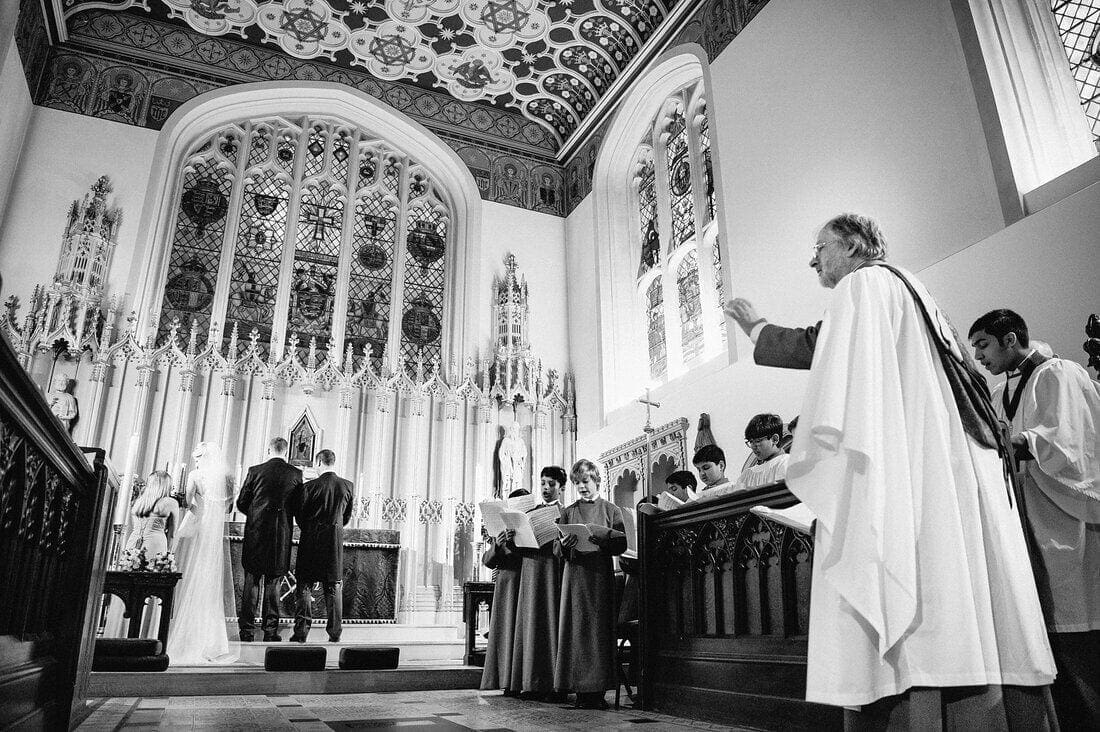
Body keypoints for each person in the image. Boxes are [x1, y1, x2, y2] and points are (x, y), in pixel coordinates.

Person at [729, 213, 1055, 724]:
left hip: (912, 462)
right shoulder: (914, 290)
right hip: (947, 460)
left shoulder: (865, 283)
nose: (813, 258)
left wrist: (756, 328)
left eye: (821, 247)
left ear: (855, 245)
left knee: (901, 567)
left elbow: (823, 346)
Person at [969, 308, 1100, 728]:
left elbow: (1069, 443)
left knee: (1080, 640)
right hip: (1027, 522)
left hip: (1066, 521)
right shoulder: (996, 392)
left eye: (983, 345)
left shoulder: (1059, 373)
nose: (978, 357)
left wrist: (1009, 442)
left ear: (1010, 339)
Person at [554, 459, 627, 710]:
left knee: (598, 632)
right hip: (574, 577)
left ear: (596, 480)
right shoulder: (568, 511)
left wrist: (603, 540)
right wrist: (563, 545)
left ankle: (597, 691)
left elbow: (621, 544)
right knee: (576, 632)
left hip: (599, 578)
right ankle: (579, 690)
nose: (582, 487)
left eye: (585, 481)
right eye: (577, 483)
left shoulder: (611, 510)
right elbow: (557, 545)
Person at [168, 442, 238, 664]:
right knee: (209, 581)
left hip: (198, 527)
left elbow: (187, 502)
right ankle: (212, 640)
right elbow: (228, 506)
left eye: (198, 457)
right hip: (213, 530)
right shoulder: (223, 478)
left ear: (203, 458)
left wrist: (178, 496)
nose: (196, 461)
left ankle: (189, 635)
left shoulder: (195, 475)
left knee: (192, 577)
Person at [236, 437, 302, 642]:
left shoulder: (255, 471)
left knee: (251, 581)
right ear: (286, 451)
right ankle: (270, 631)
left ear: (269, 449)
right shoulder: (295, 474)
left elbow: (242, 502)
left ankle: (247, 631)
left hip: (256, 533)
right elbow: (298, 506)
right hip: (280, 535)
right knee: (274, 583)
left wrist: (257, 514)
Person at [509, 467, 566, 701]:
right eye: (542, 483)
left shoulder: (567, 513)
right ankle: (530, 683)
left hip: (553, 571)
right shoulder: (530, 512)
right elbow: (516, 548)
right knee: (531, 625)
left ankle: (556, 687)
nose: (545, 488)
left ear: (562, 488)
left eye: (551, 484)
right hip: (531, 570)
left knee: (552, 624)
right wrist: (511, 536)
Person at [289, 449, 353, 644]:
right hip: (333, 544)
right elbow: (346, 517)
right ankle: (335, 633)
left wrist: (310, 527)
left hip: (310, 542)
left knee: (305, 587)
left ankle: (301, 633)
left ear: (318, 463)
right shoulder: (347, 486)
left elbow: (299, 515)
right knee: (333, 587)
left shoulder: (308, 487)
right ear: (333, 462)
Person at [480, 488, 530, 696]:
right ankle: (507, 681)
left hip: (528, 581)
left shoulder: (530, 523)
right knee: (507, 632)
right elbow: (488, 561)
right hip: (507, 585)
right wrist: (498, 545)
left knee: (526, 633)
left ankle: (525, 680)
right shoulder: (500, 527)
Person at [733, 414, 790, 489]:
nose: (753, 446)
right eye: (751, 441)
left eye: (758, 441)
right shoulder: (747, 475)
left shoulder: (787, 463)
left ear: (774, 439)